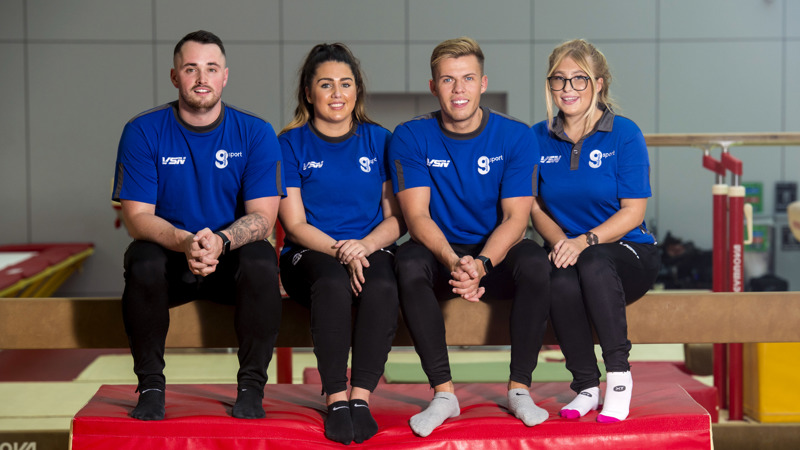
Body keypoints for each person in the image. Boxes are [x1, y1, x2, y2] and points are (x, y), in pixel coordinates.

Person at [111, 30, 285, 421]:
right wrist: (186, 241)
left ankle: (252, 386)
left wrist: (221, 240)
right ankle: (152, 386)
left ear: (226, 76)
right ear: (175, 77)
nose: (201, 78)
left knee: (260, 258)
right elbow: (136, 217)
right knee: (142, 258)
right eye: (191, 69)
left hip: (230, 261)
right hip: (172, 261)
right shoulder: (143, 131)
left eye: (211, 68)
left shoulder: (254, 132)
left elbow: (264, 218)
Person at [388, 37, 551, 437]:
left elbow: (516, 217)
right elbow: (416, 215)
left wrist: (481, 264)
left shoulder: (515, 137)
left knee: (534, 262)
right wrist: (452, 262)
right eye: (447, 79)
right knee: (406, 263)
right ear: (433, 86)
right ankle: (443, 394)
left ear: (483, 83)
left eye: (467, 79)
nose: (458, 89)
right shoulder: (410, 136)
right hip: (440, 252)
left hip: (493, 254)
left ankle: (519, 389)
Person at [278, 43, 404, 445]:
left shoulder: (380, 140)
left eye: (345, 84)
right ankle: (335, 396)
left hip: (370, 246)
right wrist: (340, 250)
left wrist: (363, 246)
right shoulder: (290, 143)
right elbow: (295, 224)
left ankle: (361, 397)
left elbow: (396, 218)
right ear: (308, 93)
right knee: (332, 282)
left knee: (384, 284)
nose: (337, 93)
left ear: (357, 90)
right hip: (310, 253)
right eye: (326, 84)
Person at [531, 39, 661, 423]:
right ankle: (586, 386)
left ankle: (619, 379)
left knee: (592, 260)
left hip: (628, 252)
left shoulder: (623, 133)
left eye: (579, 80)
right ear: (550, 85)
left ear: (599, 84)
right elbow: (533, 206)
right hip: (570, 252)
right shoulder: (538, 137)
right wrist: (560, 243)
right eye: (559, 80)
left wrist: (583, 241)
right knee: (558, 277)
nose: (568, 89)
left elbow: (634, 210)